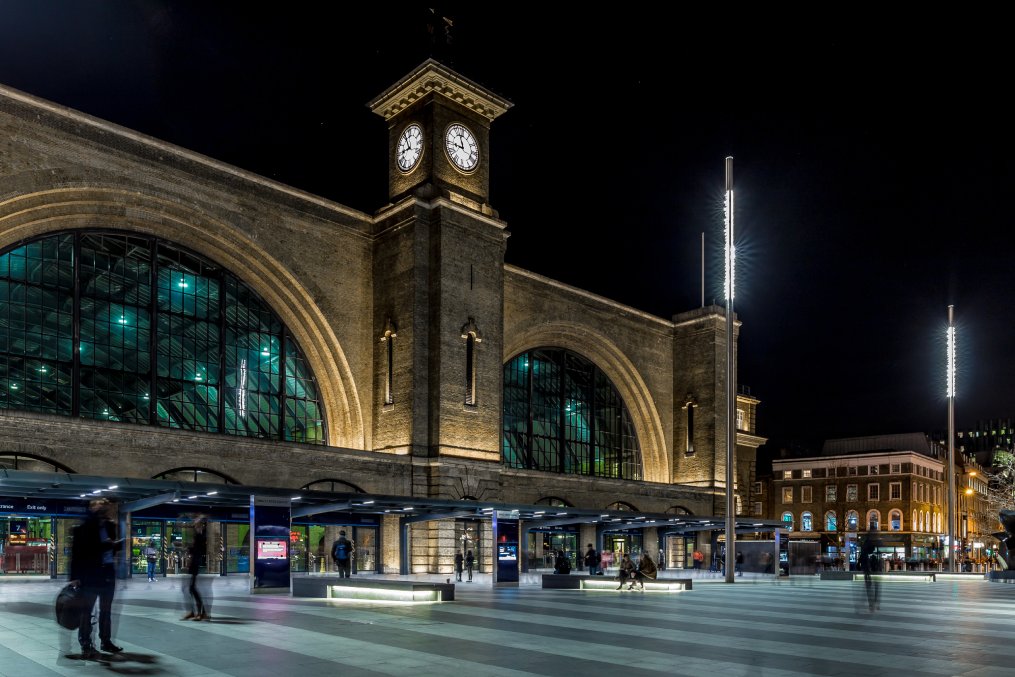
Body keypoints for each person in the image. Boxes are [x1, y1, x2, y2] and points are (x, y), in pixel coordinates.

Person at [69, 498, 123, 657]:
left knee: (106, 611)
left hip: (107, 574)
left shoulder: (109, 526)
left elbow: (111, 549)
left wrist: (115, 545)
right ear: (92, 509)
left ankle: (105, 641)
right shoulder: (83, 528)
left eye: (105, 508)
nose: (104, 511)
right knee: (87, 612)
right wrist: (74, 577)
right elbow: (79, 553)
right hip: (90, 576)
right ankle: (86, 644)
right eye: (100, 508)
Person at [182, 516, 209, 621]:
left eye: (196, 522)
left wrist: (189, 549)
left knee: (192, 588)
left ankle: (201, 613)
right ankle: (196, 612)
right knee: (189, 589)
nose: (194, 523)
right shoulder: (197, 535)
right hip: (193, 563)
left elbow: (198, 549)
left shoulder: (201, 535)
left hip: (195, 564)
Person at [860, 525, 882, 612]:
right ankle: (872, 604)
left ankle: (874, 603)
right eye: (874, 532)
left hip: (875, 568)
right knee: (870, 587)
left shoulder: (876, 542)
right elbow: (864, 554)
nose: (875, 534)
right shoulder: (867, 542)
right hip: (868, 568)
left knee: (876, 586)